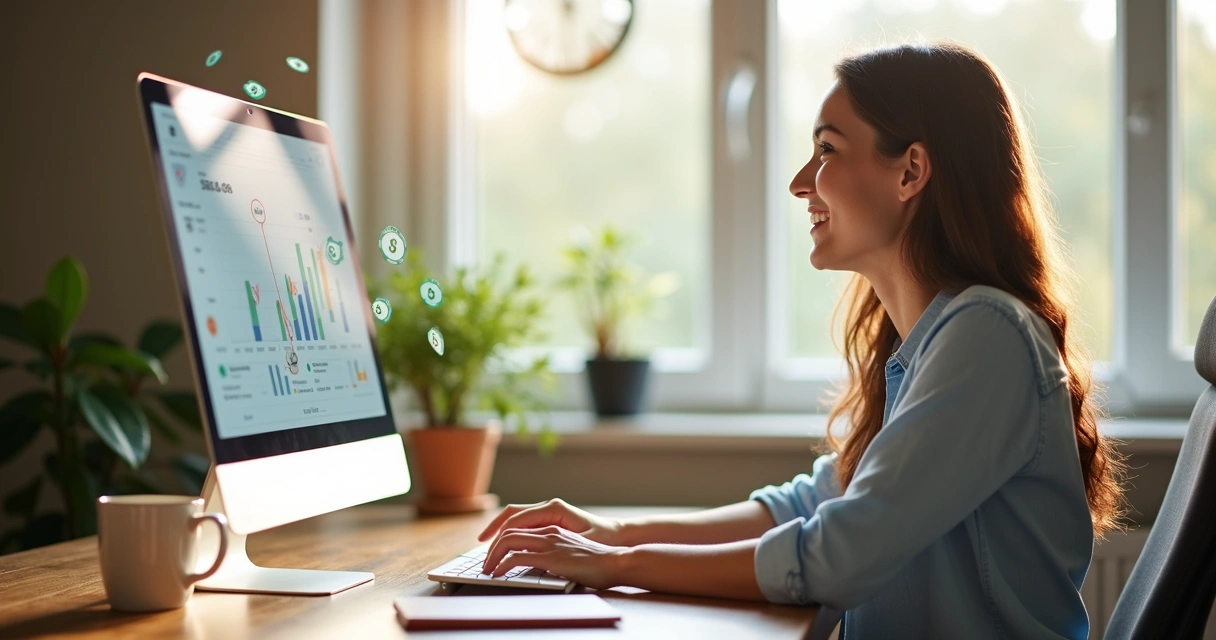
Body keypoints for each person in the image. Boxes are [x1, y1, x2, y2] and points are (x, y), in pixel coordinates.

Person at [477, 41, 1125, 640]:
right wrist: (607, 532)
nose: (799, 182)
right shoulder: (931, 344)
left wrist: (616, 562)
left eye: (828, 150)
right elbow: (811, 503)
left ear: (911, 172)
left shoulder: (988, 337)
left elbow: (839, 554)